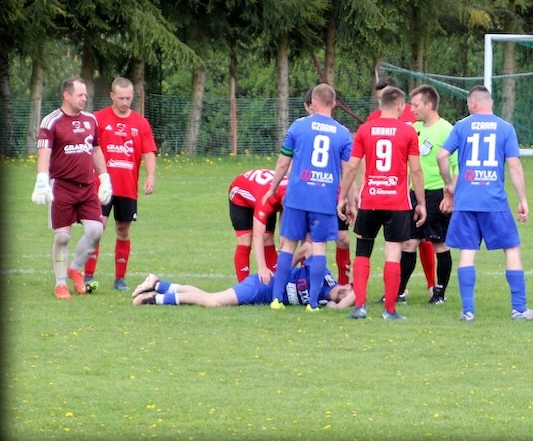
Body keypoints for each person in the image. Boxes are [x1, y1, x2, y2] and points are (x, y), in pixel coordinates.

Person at [436, 85, 533, 322]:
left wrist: (448, 184)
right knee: (511, 249)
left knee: (467, 251)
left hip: (466, 200)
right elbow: (514, 165)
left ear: (473, 103)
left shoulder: (461, 126)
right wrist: (523, 200)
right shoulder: (505, 128)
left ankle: (468, 311)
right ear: (490, 103)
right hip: (494, 201)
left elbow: (441, 155)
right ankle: (519, 309)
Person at [337, 86, 426, 320]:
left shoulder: (365, 129)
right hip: (397, 202)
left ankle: (360, 307)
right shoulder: (408, 132)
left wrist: (342, 197)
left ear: (381, 105)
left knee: (363, 250)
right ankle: (390, 310)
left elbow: (352, 167)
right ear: (400, 106)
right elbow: (416, 170)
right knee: (393, 252)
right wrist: (421, 203)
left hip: (370, 199)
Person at [264, 83, 353, 311]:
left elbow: (283, 162)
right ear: (334, 104)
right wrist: (349, 201)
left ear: (313, 102)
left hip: (297, 197)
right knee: (319, 247)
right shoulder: (343, 133)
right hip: (324, 199)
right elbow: (348, 172)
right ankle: (313, 303)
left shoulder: (298, 126)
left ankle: (276, 299)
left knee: (288, 246)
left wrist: (273, 188)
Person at [32, 76, 113, 299]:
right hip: (62, 187)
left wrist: (105, 178)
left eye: (85, 94)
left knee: (96, 231)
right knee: (62, 237)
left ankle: (75, 269)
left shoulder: (91, 120)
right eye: (80, 94)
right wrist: (42, 180)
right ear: (66, 95)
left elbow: (96, 150)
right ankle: (60, 284)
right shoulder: (51, 121)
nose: (84, 98)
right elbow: (44, 153)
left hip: (87, 187)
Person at [84, 77, 157, 292]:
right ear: (112, 96)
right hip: (102, 185)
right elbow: (87, 147)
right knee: (97, 228)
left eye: (128, 98)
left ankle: (120, 279)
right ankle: (88, 275)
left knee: (123, 230)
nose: (125, 102)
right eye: (121, 98)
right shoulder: (98, 119)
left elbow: (149, 152)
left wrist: (151, 176)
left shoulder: (141, 123)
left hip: (127, 187)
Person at [369, 77, 436, 300]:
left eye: (386, 96)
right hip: (390, 188)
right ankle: (399, 289)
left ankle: (432, 284)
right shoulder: (374, 119)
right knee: (400, 241)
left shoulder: (413, 115)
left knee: (424, 238)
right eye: (379, 98)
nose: (383, 102)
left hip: (416, 185)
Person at [397, 84, 458, 305]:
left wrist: (450, 195)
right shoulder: (413, 129)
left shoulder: (447, 130)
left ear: (429, 105)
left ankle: (439, 293)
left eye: (415, 105)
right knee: (408, 244)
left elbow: (457, 166)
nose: (411, 109)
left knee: (439, 244)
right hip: (415, 194)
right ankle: (399, 292)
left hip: (437, 194)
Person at [131, 262, 355, 308]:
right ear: (346, 285)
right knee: (213, 302)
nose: (345, 298)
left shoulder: (323, 300)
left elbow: (338, 307)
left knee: (211, 296)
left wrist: (351, 298)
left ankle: (159, 284)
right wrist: (283, 269)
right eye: (348, 293)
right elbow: (305, 249)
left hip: (262, 295)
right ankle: (156, 299)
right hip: (262, 285)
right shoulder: (323, 274)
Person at [303, 88, 351, 285]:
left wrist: (350, 197)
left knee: (343, 238)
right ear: (308, 107)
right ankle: (307, 283)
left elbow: (348, 168)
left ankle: (343, 283)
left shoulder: (338, 131)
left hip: (332, 194)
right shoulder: (301, 129)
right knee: (308, 241)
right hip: (308, 194)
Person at [228, 168, 287, 281]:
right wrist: (262, 267)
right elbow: (257, 235)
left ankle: (274, 283)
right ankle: (243, 286)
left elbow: (286, 212)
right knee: (245, 240)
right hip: (240, 194)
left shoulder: (293, 197)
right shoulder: (267, 199)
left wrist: (283, 237)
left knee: (268, 239)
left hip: (265, 191)